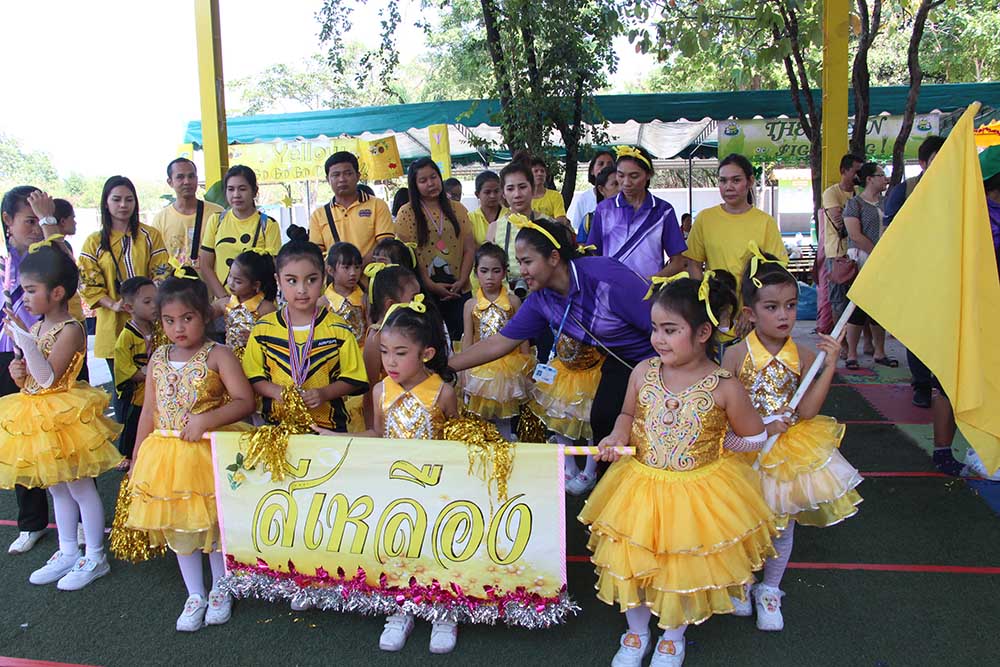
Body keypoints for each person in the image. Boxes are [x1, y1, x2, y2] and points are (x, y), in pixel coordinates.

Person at [581, 273, 777, 667]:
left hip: (696, 495)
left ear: (703, 332)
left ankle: (672, 637)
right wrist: (617, 434)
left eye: (670, 330)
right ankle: (636, 633)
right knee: (631, 562)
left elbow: (755, 437)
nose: (659, 339)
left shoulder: (724, 386)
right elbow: (627, 414)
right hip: (639, 487)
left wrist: (721, 444)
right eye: (655, 328)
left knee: (682, 566)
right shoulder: (643, 371)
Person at [449, 218, 657, 496]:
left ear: (554, 258)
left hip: (661, 358)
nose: (521, 271)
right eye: (518, 263)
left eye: (527, 261)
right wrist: (445, 366)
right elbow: (500, 342)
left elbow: (660, 324)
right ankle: (614, 493)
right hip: (620, 361)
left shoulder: (605, 277)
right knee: (604, 419)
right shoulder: (541, 300)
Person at [722, 251, 862, 632]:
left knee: (781, 526)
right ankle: (741, 580)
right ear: (750, 313)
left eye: (789, 305)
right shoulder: (734, 356)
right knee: (743, 522)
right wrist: (760, 427)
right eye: (772, 307)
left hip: (787, 454)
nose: (784, 315)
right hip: (745, 450)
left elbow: (809, 411)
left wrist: (829, 366)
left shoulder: (802, 355)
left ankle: (770, 589)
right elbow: (724, 409)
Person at [126, 267, 255, 631]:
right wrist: (137, 455)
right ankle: (195, 593)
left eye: (187, 318)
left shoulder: (218, 355)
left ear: (205, 315)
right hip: (165, 457)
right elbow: (149, 411)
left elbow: (245, 401)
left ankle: (221, 588)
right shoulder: (157, 358)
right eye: (169, 320)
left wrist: (206, 420)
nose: (178, 328)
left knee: (212, 524)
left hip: (206, 452)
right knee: (179, 527)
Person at [0, 243, 121, 589]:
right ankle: (68, 550)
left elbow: (48, 378)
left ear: (56, 293)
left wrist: (24, 341)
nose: (25, 298)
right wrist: (17, 371)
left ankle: (95, 556)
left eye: (30, 290)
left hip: (63, 415)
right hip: (37, 414)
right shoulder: (38, 327)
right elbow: (30, 379)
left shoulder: (70, 328)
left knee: (80, 488)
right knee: (58, 489)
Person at [371, 294, 460, 655]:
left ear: (426, 353)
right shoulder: (380, 391)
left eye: (400, 352)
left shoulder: (443, 393)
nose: (390, 361)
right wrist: (333, 439)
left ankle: (444, 610)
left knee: (438, 546)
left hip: (438, 490)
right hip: (394, 488)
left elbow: (456, 441)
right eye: (384, 352)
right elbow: (378, 436)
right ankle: (401, 608)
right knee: (399, 545)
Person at [242, 226, 368, 433]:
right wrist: (276, 391)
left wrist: (324, 393)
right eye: (292, 281)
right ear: (278, 281)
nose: (302, 289)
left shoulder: (338, 329)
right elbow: (253, 376)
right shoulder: (263, 329)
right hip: (277, 431)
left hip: (328, 430)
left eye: (311, 280)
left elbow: (354, 378)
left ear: (323, 278)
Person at [79, 176, 170, 440]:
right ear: (106, 203)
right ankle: (128, 448)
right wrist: (115, 304)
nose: (123, 205)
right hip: (114, 326)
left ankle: (159, 442)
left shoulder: (150, 235)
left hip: (152, 323)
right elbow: (88, 283)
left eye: (129, 199)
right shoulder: (94, 242)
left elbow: (162, 272)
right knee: (125, 391)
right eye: (116, 199)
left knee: (158, 383)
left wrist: (146, 301)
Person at [684, 154, 788, 337]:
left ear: (750, 182)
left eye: (736, 180)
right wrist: (706, 303)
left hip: (754, 320)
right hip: (716, 318)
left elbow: (774, 272)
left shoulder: (765, 222)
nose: (728, 187)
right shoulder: (705, 219)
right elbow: (693, 263)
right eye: (723, 181)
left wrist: (752, 309)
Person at [1, 185, 49, 555]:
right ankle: (31, 522)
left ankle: (80, 522)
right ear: (8, 221)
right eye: (28, 221)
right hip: (8, 356)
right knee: (21, 441)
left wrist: (49, 222)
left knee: (62, 438)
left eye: (38, 220)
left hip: (50, 353)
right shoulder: (3, 266)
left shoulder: (48, 256)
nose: (35, 228)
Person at [883, 137, 947, 408]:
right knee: (917, 332)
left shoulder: (962, 191)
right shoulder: (904, 191)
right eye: (937, 159)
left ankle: (944, 384)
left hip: (948, 274)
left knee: (947, 332)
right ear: (922, 163)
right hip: (915, 273)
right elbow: (889, 235)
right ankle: (921, 385)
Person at [393, 157, 476, 341]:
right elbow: (410, 255)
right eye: (423, 180)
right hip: (424, 293)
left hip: (459, 290)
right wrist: (430, 285)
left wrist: (462, 280)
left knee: (463, 340)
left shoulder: (458, 209)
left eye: (433, 177)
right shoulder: (406, 213)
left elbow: (469, 248)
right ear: (414, 185)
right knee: (431, 342)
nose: (431, 183)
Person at [460, 243, 534, 441]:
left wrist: (527, 367)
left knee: (504, 417)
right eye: (484, 271)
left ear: (504, 272)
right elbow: (468, 339)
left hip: (508, 367)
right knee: (481, 417)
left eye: (496, 271)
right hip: (480, 368)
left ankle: (506, 447)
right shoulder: (470, 305)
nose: (490, 277)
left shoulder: (513, 302)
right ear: (476, 272)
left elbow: (522, 338)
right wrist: (464, 372)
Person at [587, 145, 689, 279]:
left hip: (649, 290)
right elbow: (593, 255)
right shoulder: (604, 209)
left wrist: (650, 282)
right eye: (620, 175)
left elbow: (678, 262)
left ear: (649, 175)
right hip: (610, 290)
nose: (626, 183)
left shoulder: (663, 211)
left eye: (634, 176)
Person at [198, 165, 281, 300]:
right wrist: (225, 299)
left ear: (254, 191)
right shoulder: (216, 220)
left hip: (258, 304)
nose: (236, 195)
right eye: (231, 189)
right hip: (224, 304)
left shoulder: (268, 224)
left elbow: (273, 269)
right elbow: (205, 265)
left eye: (242, 189)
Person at [842, 162, 894, 369]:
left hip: (883, 260)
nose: (885, 179)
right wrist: (876, 253)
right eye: (881, 175)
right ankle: (852, 354)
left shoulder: (886, 202)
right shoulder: (854, 204)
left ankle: (880, 351)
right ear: (869, 179)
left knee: (878, 308)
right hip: (861, 258)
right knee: (857, 308)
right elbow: (855, 235)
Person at [362, 263, 422, 429]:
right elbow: (369, 389)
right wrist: (372, 429)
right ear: (391, 304)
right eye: (414, 298)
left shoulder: (417, 329)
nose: (420, 302)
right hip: (388, 415)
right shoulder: (375, 338)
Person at [308, 151, 394, 260]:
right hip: (335, 271)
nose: (342, 179)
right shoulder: (318, 215)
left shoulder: (378, 205)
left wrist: (358, 266)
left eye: (348, 173)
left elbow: (385, 245)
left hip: (372, 271)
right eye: (336, 175)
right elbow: (316, 254)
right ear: (328, 180)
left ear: (358, 176)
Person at [113, 277, 159, 467]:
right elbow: (128, 371)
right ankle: (128, 456)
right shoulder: (126, 337)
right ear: (129, 307)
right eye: (147, 302)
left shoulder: (161, 328)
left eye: (156, 299)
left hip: (159, 389)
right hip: (138, 394)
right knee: (134, 424)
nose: (154, 305)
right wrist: (154, 373)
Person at [323, 242, 367, 432]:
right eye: (347, 267)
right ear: (330, 270)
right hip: (333, 361)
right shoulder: (322, 302)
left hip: (361, 358)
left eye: (357, 267)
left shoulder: (365, 299)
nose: (353, 273)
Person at [151, 157, 223, 265]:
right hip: (173, 276)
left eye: (191, 176)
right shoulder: (160, 219)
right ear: (170, 182)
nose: (187, 182)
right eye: (180, 177)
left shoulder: (217, 213)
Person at [820, 154, 863, 324]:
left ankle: (862, 337)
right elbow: (838, 220)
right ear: (843, 171)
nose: (859, 176)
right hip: (838, 253)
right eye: (856, 171)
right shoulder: (831, 193)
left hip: (858, 250)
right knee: (839, 300)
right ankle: (839, 337)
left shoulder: (860, 192)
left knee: (860, 300)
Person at [213, 248, 277, 361]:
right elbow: (202, 315)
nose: (230, 283)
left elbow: (277, 339)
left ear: (255, 285)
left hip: (257, 363)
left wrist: (256, 338)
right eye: (230, 276)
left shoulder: (266, 308)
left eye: (238, 281)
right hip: (230, 363)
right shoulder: (226, 303)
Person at [489, 161, 541, 297]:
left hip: (543, 297)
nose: (517, 194)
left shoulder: (547, 223)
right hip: (506, 300)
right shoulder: (494, 228)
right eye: (510, 189)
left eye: (522, 187)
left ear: (533, 188)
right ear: (503, 193)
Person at [51, 198, 87, 328]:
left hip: (76, 313)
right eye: (73, 217)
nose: (75, 222)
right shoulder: (51, 249)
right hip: (65, 319)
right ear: (63, 221)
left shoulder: (66, 245)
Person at [567, 149, 616, 232]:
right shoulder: (584, 198)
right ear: (592, 171)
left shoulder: (623, 196)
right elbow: (578, 228)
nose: (605, 167)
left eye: (610, 164)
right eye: (601, 164)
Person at [577, 165, 621, 243]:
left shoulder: (636, 216)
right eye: (615, 184)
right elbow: (583, 247)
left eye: (622, 183)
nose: (621, 188)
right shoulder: (589, 220)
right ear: (601, 189)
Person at [468, 171, 507, 246]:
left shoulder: (510, 216)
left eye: (496, 191)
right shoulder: (470, 219)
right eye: (487, 192)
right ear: (477, 194)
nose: (492, 196)